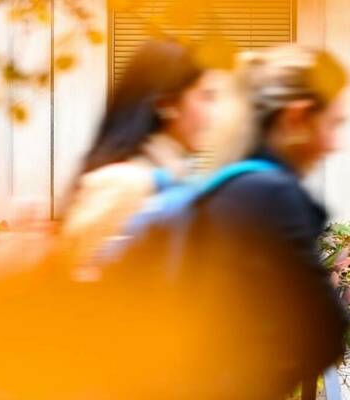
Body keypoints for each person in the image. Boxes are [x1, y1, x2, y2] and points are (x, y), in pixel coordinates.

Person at [120, 45, 349, 399]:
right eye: (333, 124)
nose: (334, 144)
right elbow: (324, 332)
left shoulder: (219, 189)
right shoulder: (273, 195)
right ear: (296, 117)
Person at [59, 38, 242, 276]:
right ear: (167, 104)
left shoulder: (180, 179)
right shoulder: (126, 185)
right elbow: (80, 291)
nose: (214, 114)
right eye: (206, 97)